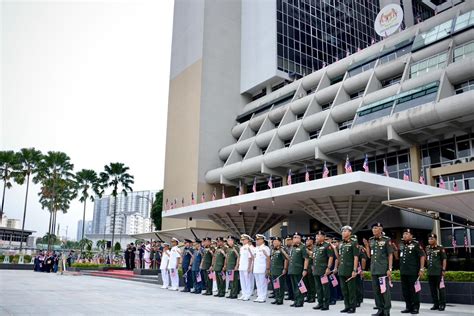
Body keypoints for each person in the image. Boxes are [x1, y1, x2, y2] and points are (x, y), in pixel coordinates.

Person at [364, 222, 393, 316]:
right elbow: (369, 255)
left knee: (384, 290)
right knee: (376, 291)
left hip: (383, 269)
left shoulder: (386, 240)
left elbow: (390, 255)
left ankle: (386, 310)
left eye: (376, 228)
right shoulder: (371, 240)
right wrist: (367, 246)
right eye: (373, 228)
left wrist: (390, 269)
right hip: (374, 269)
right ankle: (380, 309)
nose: (374, 230)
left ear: (381, 230)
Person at [398, 229, 425, 314]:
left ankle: (415, 308)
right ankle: (408, 307)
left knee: (414, 291)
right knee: (405, 291)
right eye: (404, 234)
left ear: (411, 236)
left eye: (407, 233)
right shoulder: (401, 244)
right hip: (403, 272)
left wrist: (421, 269)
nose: (404, 235)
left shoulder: (416, 244)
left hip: (413, 272)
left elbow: (422, 256)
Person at [338, 226, 359, 314]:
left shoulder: (354, 243)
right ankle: (346, 306)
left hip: (350, 269)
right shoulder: (341, 243)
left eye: (345, 231)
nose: (343, 232)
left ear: (350, 233)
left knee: (351, 290)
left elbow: (356, 257)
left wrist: (354, 270)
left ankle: (352, 307)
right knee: (344, 290)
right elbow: (339, 257)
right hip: (342, 269)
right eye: (342, 231)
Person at [312, 230, 334, 311]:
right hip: (316, 270)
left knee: (325, 288)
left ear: (324, 237)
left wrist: (328, 268)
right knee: (318, 288)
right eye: (316, 236)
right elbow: (314, 257)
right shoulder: (316, 246)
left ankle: (326, 304)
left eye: (319, 236)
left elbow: (331, 257)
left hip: (323, 271)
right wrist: (313, 266)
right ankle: (320, 303)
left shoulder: (327, 245)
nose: (317, 237)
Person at [425, 233, 447, 311]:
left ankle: (442, 304)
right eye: (429, 239)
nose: (430, 240)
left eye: (432, 239)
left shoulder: (440, 248)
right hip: (430, 272)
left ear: (435, 239)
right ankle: (436, 304)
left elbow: (444, 259)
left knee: (441, 289)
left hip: (438, 272)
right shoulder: (427, 248)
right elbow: (426, 259)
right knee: (432, 290)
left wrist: (443, 269)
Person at [288, 232, 309, 308]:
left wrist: (305, 269)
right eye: (294, 237)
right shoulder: (292, 247)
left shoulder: (303, 247)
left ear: (300, 239)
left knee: (299, 286)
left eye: (297, 237)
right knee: (294, 286)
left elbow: (306, 259)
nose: (295, 238)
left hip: (299, 269)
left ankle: (300, 301)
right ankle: (296, 300)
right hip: (292, 269)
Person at [270, 237, 288, 305]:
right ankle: (277, 298)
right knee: (276, 285)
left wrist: (285, 268)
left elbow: (286, 259)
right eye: (274, 241)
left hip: (279, 270)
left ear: (280, 242)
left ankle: (280, 299)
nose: (274, 242)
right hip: (273, 270)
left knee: (280, 285)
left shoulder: (282, 249)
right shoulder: (273, 250)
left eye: (276, 241)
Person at [252, 234, 270, 303]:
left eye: (258, 239)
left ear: (262, 240)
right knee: (258, 283)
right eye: (256, 240)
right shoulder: (255, 248)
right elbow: (254, 259)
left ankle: (263, 297)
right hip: (256, 268)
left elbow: (268, 259)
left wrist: (267, 268)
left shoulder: (265, 248)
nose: (256, 241)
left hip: (263, 268)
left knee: (263, 284)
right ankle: (259, 296)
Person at [238, 234, 254, 301]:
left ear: (247, 240)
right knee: (242, 281)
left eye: (244, 239)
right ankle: (244, 293)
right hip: (241, 266)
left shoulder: (249, 247)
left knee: (247, 281)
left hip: (246, 266)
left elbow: (250, 258)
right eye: (242, 239)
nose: (242, 241)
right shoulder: (241, 248)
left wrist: (249, 267)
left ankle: (248, 294)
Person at [304, 235, 316, 303]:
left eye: (308, 240)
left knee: (312, 284)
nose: (307, 242)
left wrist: (308, 252)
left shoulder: (314, 248)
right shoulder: (305, 248)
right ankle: (308, 296)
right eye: (306, 240)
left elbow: (314, 256)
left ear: (312, 241)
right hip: (306, 268)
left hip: (312, 267)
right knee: (306, 283)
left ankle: (312, 297)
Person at [284, 236, 294, 301]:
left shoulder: (293, 248)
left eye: (289, 240)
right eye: (287, 240)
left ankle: (294, 296)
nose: (288, 241)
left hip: (293, 268)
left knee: (293, 283)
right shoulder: (285, 248)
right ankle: (290, 295)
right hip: (287, 268)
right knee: (288, 283)